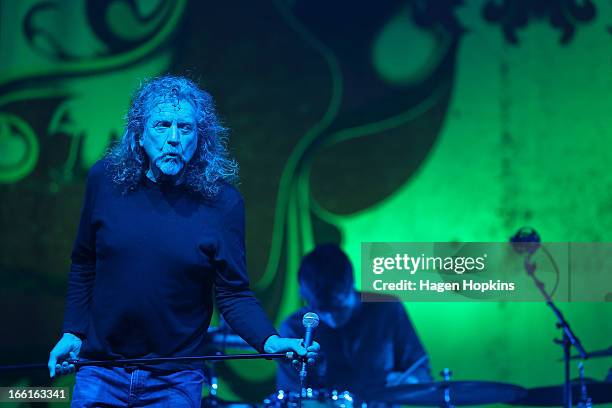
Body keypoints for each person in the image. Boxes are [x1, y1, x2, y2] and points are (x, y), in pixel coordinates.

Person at [47, 75, 318, 407]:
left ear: (199, 139)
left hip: (174, 382)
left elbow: (233, 292)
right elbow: (84, 262)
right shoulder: (105, 181)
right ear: (139, 134)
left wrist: (270, 340)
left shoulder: (223, 203)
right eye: (162, 125)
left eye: (185, 128)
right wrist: (73, 331)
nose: (173, 139)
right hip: (101, 372)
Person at [277, 244, 431, 395]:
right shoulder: (294, 328)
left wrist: (410, 380)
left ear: (353, 286)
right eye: (321, 312)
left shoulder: (387, 308)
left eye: (340, 310)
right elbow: (291, 394)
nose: (332, 319)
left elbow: (420, 368)